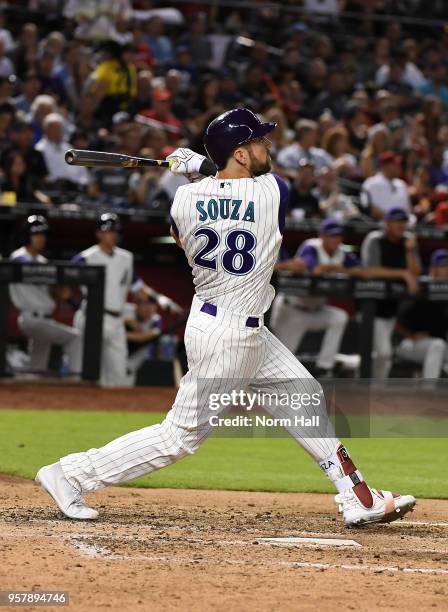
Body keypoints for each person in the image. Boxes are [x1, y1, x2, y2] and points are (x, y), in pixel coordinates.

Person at [35, 109, 415, 526]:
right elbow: (248, 186)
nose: (266, 146)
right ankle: (70, 473)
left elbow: (184, 239)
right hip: (228, 335)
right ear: (240, 154)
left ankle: (356, 496)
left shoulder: (183, 200)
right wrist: (197, 166)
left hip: (226, 322)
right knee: (179, 436)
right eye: (258, 142)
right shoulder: (274, 192)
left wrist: (196, 173)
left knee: (302, 394)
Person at [71, 212, 181, 387]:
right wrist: (77, 305)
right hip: (92, 317)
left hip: (116, 320)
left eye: (115, 231)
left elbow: (138, 288)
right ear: (98, 233)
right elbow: (66, 287)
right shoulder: (84, 258)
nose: (112, 234)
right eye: (107, 230)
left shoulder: (125, 258)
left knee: (118, 375)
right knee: (86, 372)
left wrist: (159, 299)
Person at [270, 219, 362, 376]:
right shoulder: (312, 246)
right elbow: (315, 269)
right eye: (332, 235)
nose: (336, 239)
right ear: (322, 236)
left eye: (339, 236)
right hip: (292, 310)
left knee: (339, 317)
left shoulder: (342, 251)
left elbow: (360, 271)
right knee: (280, 361)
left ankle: (324, 366)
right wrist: (339, 268)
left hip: (316, 311)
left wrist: (334, 268)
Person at [9, 215, 81, 373]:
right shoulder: (19, 257)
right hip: (32, 318)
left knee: (37, 367)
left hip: (45, 318)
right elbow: (31, 269)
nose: (40, 238)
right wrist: (57, 285)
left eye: (42, 234)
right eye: (36, 234)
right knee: (75, 338)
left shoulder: (42, 261)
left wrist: (61, 294)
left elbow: (48, 289)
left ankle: (31, 393)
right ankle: (77, 378)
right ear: (27, 236)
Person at [361, 207, 421, 379]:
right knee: (383, 353)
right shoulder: (375, 239)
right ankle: (373, 388)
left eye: (403, 222)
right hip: (370, 305)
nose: (401, 226)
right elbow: (370, 270)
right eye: (397, 222)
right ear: (386, 223)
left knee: (383, 354)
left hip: (391, 306)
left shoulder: (408, 241)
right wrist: (402, 274)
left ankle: (374, 388)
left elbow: (415, 273)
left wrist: (410, 251)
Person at [395, 249, 448, 378]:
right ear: (433, 269)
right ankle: (427, 394)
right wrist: (411, 335)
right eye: (444, 266)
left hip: (436, 343)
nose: (447, 270)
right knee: (437, 345)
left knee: (438, 345)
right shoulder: (420, 287)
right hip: (409, 343)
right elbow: (396, 323)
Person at [360, 151, 411, 220]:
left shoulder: (401, 184)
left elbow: (408, 209)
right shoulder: (371, 183)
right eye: (395, 164)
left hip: (404, 224)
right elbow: (368, 206)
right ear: (385, 166)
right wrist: (391, 220)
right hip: (380, 225)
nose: (399, 167)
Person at [124, 295, 162, 386]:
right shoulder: (126, 310)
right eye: (145, 305)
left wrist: (121, 335)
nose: (148, 310)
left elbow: (147, 337)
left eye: (152, 307)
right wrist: (124, 322)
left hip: (131, 366)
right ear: (137, 304)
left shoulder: (155, 320)